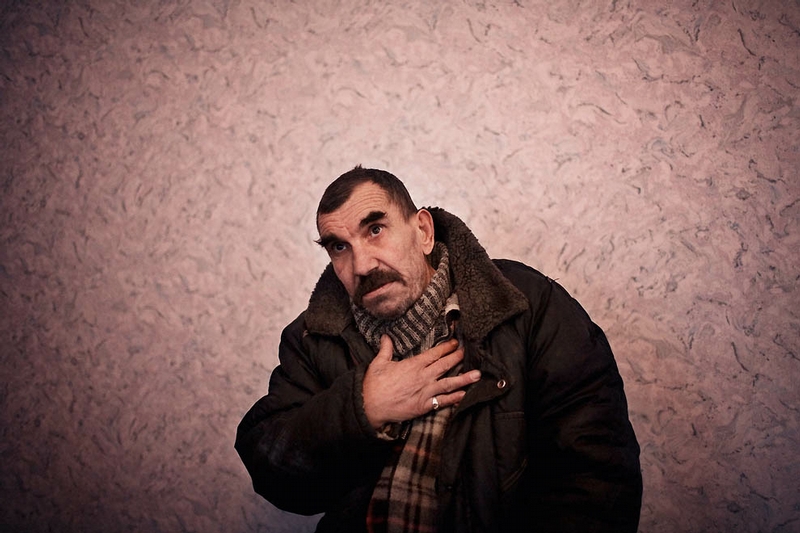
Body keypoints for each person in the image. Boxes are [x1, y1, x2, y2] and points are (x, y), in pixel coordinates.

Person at [235, 166, 642, 533]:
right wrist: (363, 408)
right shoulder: (313, 336)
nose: (361, 265)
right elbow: (274, 471)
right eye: (339, 247)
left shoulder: (528, 306)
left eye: (375, 229)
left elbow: (596, 477)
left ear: (424, 232)